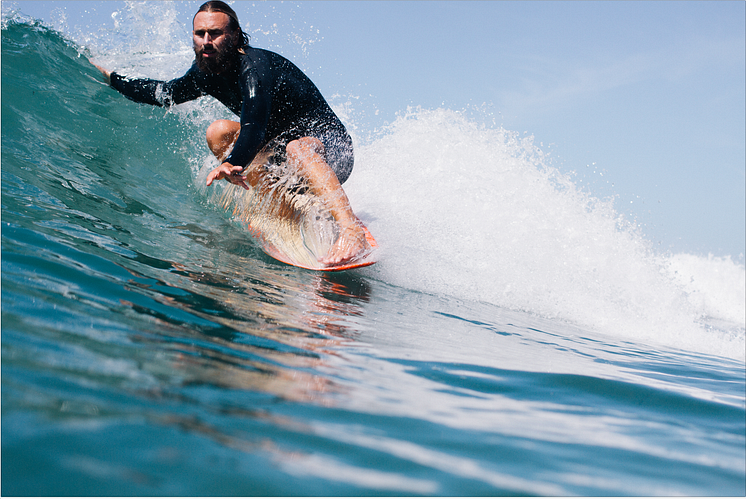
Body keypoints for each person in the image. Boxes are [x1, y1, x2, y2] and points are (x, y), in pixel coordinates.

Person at [93, 1, 370, 267]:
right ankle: (284, 212)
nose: (206, 40)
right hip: (281, 151)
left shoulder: (254, 68)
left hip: (330, 148)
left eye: (215, 33)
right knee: (218, 132)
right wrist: (114, 79)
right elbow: (166, 93)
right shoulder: (204, 74)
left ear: (235, 35)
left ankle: (351, 230)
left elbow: (254, 125)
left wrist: (232, 161)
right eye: (200, 33)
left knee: (297, 148)